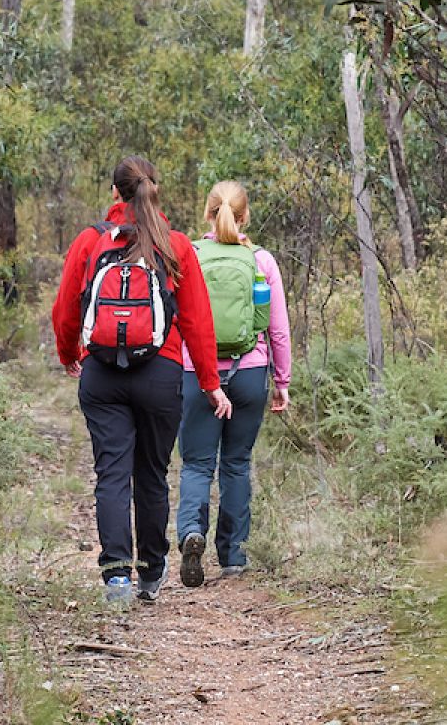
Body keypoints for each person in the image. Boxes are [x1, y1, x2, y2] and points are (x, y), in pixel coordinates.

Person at [52, 157, 232, 606]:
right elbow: (197, 321)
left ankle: (117, 576)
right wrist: (210, 382)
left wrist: (69, 353)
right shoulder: (174, 246)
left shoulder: (90, 242)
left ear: (115, 193)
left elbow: (65, 311)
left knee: (111, 472)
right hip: (161, 373)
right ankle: (151, 572)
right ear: (154, 189)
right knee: (151, 473)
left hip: (101, 373)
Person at [175, 180, 292, 587]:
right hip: (249, 372)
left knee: (196, 463)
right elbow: (277, 330)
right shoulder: (261, 260)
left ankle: (192, 531)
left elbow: (175, 320)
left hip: (197, 373)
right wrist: (282, 380)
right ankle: (234, 555)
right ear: (246, 216)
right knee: (236, 463)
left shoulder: (188, 255)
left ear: (208, 213)